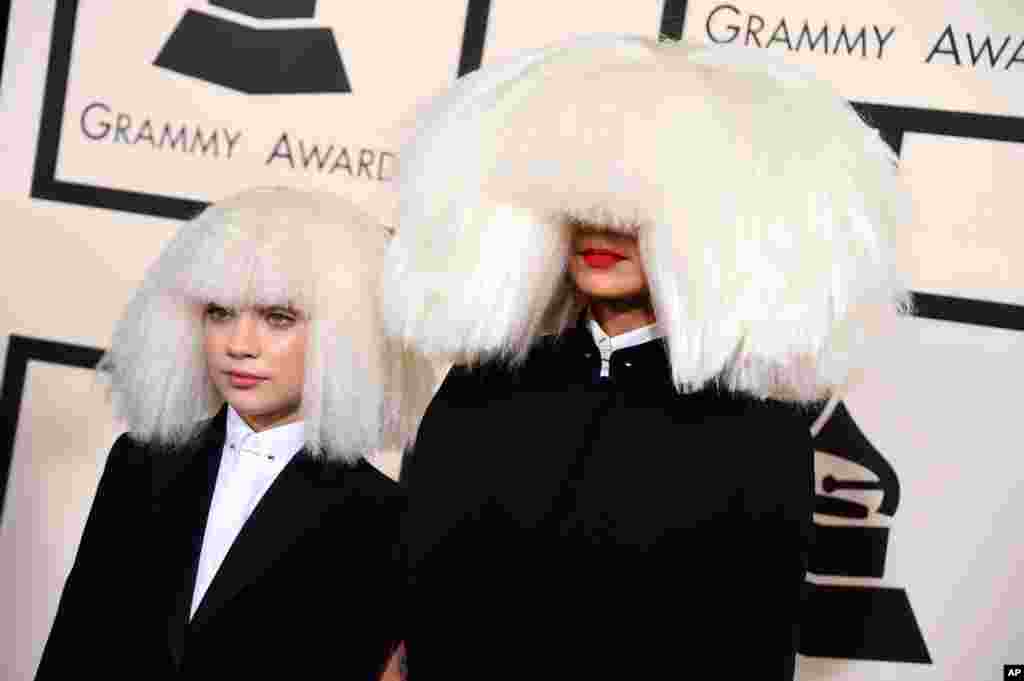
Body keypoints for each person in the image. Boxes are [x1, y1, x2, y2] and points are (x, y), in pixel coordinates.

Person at [383, 35, 909, 679]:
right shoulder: (477, 393)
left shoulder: (757, 436)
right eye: (583, 199)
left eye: (634, 209)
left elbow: (747, 655)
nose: (601, 226)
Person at [36, 187, 435, 679]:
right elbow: (74, 645)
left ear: (344, 337)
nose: (239, 345)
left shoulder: (383, 517)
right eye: (220, 312)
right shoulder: (139, 463)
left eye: (278, 318)